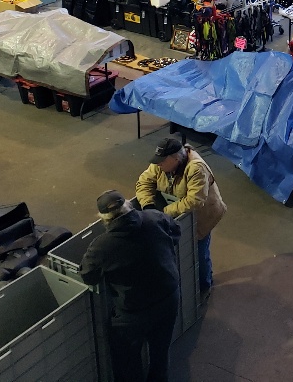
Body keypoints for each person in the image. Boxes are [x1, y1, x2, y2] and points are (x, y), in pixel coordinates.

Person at [80, 190, 180, 382]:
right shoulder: (155, 217)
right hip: (168, 298)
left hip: (133, 313)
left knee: (127, 361)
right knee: (160, 353)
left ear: (103, 217)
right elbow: (175, 233)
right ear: (127, 204)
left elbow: (88, 276)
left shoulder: (101, 246)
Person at [136, 138, 227, 296]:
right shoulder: (160, 164)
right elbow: (144, 182)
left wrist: (163, 213)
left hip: (202, 216)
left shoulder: (196, 168)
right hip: (177, 213)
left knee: (199, 251)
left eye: (162, 161)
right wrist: (148, 206)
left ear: (175, 158)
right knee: (182, 250)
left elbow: (194, 201)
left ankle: (205, 285)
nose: (158, 164)